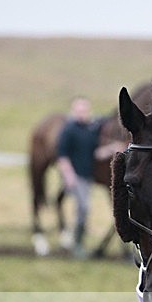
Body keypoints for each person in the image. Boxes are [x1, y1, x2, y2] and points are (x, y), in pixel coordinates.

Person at [56, 96, 102, 259]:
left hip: (87, 175)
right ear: (73, 111)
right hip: (75, 176)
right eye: (79, 110)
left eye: (85, 110)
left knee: (83, 208)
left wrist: (113, 149)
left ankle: (77, 241)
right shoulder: (68, 130)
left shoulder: (89, 130)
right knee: (83, 208)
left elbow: (94, 152)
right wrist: (69, 176)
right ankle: (77, 245)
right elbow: (62, 155)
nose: (83, 113)